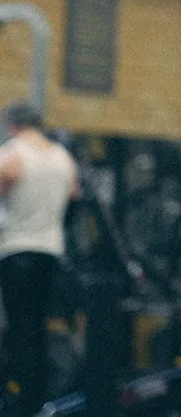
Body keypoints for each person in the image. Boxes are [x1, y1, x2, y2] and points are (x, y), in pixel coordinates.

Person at [0, 102, 79, 416]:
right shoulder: (63, 158)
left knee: (20, 329)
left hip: (17, 251)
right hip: (50, 252)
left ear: (13, 124)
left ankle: (22, 402)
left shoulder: (12, 153)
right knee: (37, 327)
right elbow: (74, 195)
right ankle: (39, 399)